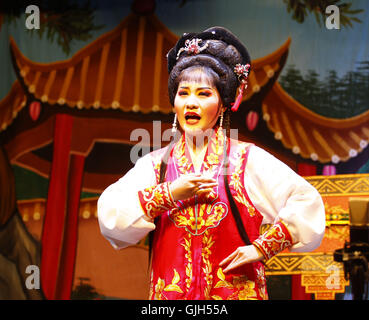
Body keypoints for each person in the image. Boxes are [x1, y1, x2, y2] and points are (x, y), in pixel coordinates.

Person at [98, 27, 325, 300]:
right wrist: (169, 193)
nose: (191, 103)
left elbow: (305, 200)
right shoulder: (155, 167)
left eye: (204, 94)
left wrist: (263, 247)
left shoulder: (245, 160)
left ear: (222, 104)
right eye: (184, 93)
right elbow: (111, 216)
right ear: (174, 102)